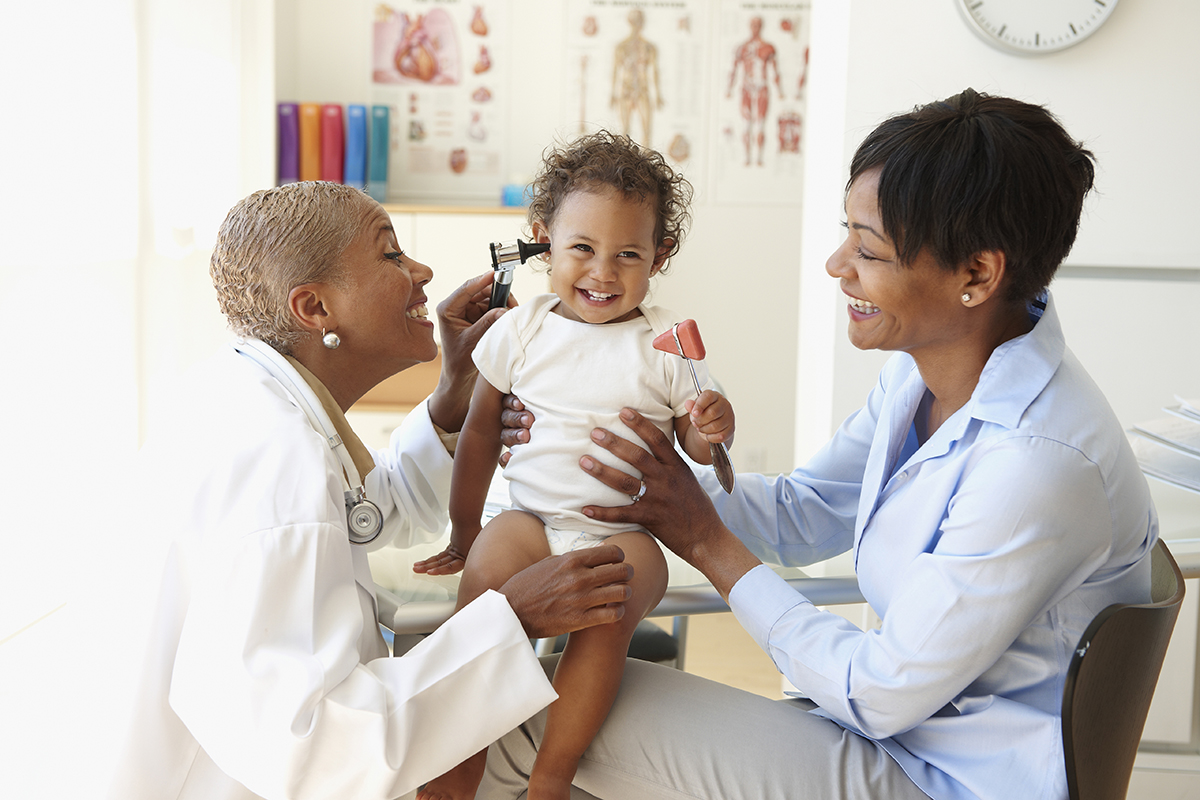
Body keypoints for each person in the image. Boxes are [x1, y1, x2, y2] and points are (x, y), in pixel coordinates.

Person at [483, 89, 1158, 800]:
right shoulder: (923, 377)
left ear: (978, 275)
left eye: (868, 249)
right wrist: (632, 479)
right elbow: (806, 512)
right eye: (848, 234)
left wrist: (707, 541)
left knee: (523, 718)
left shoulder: (1038, 463)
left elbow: (881, 692)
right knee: (561, 713)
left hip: (939, 776)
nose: (838, 265)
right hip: (893, 735)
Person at [104, 181, 635, 800]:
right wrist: (514, 619)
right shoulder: (277, 463)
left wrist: (452, 398)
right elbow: (307, 752)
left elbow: (369, 512)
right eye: (391, 254)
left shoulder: (251, 397)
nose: (423, 271)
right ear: (315, 308)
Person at [412, 130, 735, 800]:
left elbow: (698, 447)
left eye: (628, 255)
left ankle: (551, 774)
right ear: (543, 240)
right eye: (582, 249)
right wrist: (464, 529)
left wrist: (711, 428)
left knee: (611, 612)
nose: (603, 272)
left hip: (621, 530)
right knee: (483, 594)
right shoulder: (518, 328)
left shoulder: (667, 341)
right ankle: (455, 769)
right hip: (528, 517)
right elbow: (477, 435)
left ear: (659, 256)